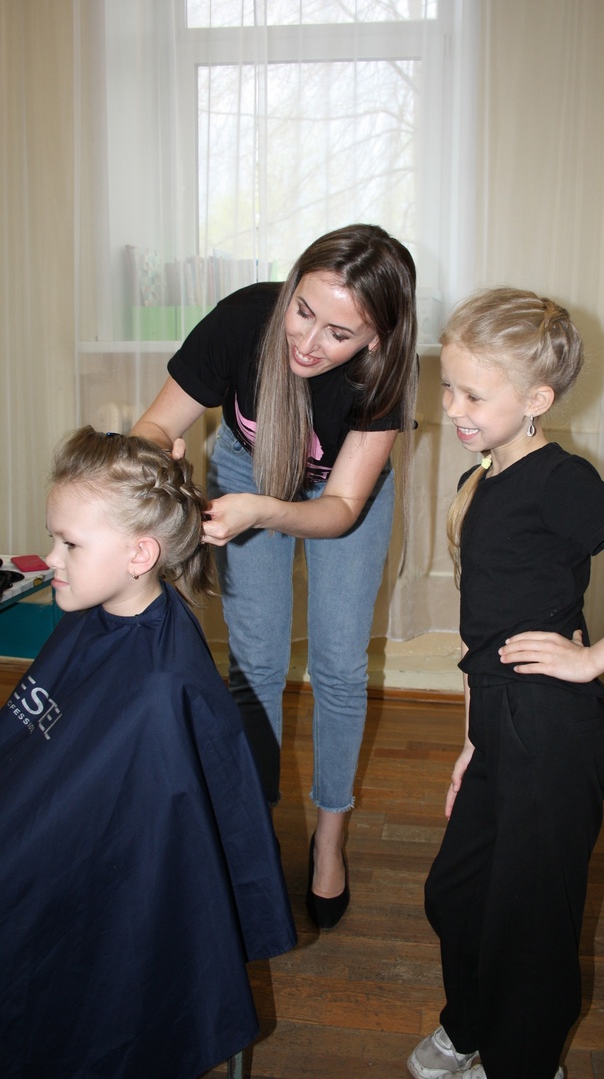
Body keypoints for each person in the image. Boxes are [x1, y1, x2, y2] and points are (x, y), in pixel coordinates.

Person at [407, 287, 604, 1079]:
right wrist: (471, 744)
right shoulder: (482, 480)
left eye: (474, 394)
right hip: (499, 723)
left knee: (530, 920)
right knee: (457, 893)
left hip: (551, 729)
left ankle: (524, 1061)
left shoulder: (559, 479)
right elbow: (483, 639)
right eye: (449, 386)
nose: (453, 408)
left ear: (536, 400)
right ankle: (472, 1025)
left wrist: (592, 659)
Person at [131, 223, 418, 930]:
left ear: (376, 340)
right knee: (255, 662)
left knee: (340, 667)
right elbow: (153, 426)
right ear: (289, 290)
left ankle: (330, 839)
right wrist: (159, 461)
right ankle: (249, 830)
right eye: (303, 311)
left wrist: (265, 510)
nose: (308, 343)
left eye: (339, 334)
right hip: (245, 465)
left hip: (340, 497)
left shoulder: (385, 374)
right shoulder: (243, 318)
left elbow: (340, 509)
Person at [0, 427, 297, 1079]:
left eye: (69, 543)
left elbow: (112, 834)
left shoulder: (161, 690)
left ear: (140, 553)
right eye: (54, 539)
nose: (49, 559)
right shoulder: (98, 611)